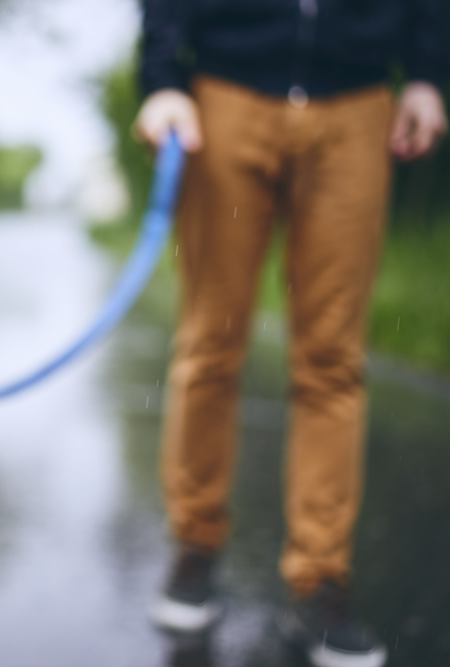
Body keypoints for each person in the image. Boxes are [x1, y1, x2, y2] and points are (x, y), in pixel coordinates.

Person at [133, 1, 448, 666]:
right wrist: (163, 77)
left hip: (359, 102)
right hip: (224, 94)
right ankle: (195, 549)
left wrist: (427, 71)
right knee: (210, 345)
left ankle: (321, 581)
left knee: (334, 359)